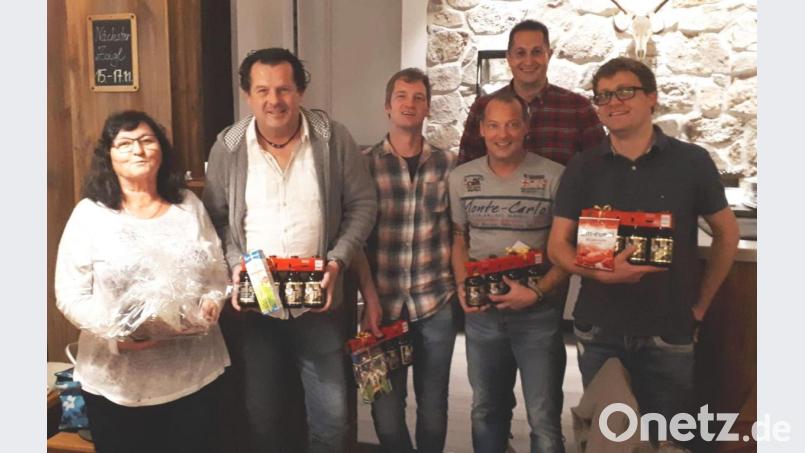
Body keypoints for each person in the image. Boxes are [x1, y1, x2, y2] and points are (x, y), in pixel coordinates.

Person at [547, 57, 740, 446]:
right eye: (602, 96)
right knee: (607, 442)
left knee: (669, 440)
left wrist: (700, 306)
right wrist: (595, 271)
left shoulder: (692, 161)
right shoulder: (583, 167)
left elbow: (727, 235)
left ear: (651, 97)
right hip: (599, 328)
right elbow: (557, 246)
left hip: (668, 329)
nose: (612, 102)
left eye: (624, 91)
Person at [202, 47, 376, 453]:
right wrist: (234, 265)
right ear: (247, 94)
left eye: (284, 89)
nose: (273, 100)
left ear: (300, 92)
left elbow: (363, 205)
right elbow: (217, 219)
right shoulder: (228, 147)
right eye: (262, 90)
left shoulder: (332, 138)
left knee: (333, 421)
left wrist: (338, 261)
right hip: (256, 306)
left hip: (319, 304)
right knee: (263, 417)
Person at [55, 110, 230, 453]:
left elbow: (217, 272)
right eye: (125, 143)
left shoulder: (188, 206)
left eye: (147, 140)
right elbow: (70, 294)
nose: (138, 149)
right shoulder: (90, 215)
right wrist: (117, 335)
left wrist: (212, 303)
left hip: (193, 378)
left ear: (161, 150)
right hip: (117, 386)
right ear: (109, 156)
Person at [449, 90, 568, 452]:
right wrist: (461, 286)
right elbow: (458, 236)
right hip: (482, 315)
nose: (503, 134)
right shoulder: (460, 178)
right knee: (485, 410)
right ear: (482, 130)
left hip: (538, 315)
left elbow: (566, 250)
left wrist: (537, 292)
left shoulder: (555, 176)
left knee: (544, 418)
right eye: (494, 126)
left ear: (526, 128)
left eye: (512, 125)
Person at [352, 68, 459, 453]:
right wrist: (368, 300)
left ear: (428, 107)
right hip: (383, 309)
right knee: (385, 406)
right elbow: (356, 239)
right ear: (387, 106)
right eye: (401, 96)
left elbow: (458, 233)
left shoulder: (450, 165)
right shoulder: (364, 165)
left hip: (435, 303)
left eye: (418, 97)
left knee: (433, 406)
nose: (409, 104)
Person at [458, 19, 605, 166]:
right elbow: (466, 171)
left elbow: (600, 169)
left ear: (549, 55)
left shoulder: (579, 108)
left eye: (536, 52)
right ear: (509, 58)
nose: (528, 61)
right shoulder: (483, 107)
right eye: (520, 53)